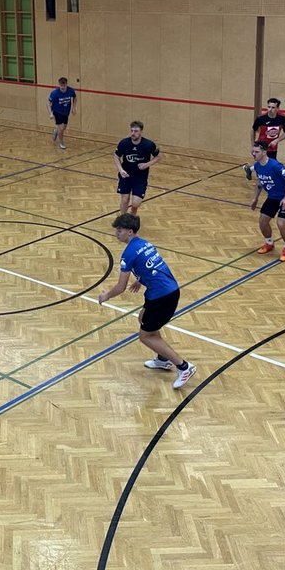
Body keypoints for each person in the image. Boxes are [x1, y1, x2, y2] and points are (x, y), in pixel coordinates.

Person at [98, 213, 195, 389]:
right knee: (143, 318)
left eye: (119, 230)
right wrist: (140, 280)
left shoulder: (128, 253)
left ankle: (184, 367)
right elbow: (152, 266)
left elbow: (120, 287)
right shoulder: (145, 244)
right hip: (164, 291)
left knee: (145, 336)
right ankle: (163, 359)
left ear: (130, 232)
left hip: (162, 296)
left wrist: (106, 296)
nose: (116, 233)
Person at [249, 141, 285, 262]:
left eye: (256, 152)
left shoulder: (275, 166)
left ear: (264, 152)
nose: (253, 154)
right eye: (253, 151)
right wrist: (255, 198)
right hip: (272, 197)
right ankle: (269, 243)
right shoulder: (257, 166)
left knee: (281, 224)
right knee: (262, 221)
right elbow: (260, 182)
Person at [114, 120, 160, 215]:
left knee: (135, 203)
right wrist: (120, 170)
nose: (133, 133)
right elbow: (116, 156)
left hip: (140, 177)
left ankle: (132, 215)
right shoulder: (124, 143)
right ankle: (122, 218)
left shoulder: (148, 144)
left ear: (141, 131)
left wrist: (147, 164)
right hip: (126, 176)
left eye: (136, 131)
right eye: (131, 131)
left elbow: (158, 157)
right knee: (125, 199)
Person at [246, 97, 285, 181]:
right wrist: (253, 145)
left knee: (268, 164)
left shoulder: (282, 118)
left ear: (278, 108)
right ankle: (262, 182)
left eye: (273, 107)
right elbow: (253, 130)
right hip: (261, 146)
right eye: (269, 107)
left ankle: (250, 169)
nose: (270, 109)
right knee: (265, 165)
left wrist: (277, 140)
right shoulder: (261, 118)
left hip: (273, 147)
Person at [48, 77, 76, 149]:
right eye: (61, 86)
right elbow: (49, 104)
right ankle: (61, 143)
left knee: (64, 127)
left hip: (66, 112)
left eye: (64, 85)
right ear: (59, 85)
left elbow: (74, 98)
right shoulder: (55, 93)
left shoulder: (71, 91)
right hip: (57, 112)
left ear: (66, 84)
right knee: (61, 128)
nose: (63, 87)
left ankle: (56, 130)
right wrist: (51, 113)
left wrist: (73, 107)